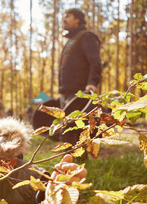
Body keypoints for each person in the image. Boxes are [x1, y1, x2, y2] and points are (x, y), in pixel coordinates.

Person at [57, 8, 102, 145]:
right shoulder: (71, 40)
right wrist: (62, 91)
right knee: (67, 132)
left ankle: (79, 162)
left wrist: (92, 82)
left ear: (77, 19)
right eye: (63, 15)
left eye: (68, 16)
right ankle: (68, 163)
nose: (64, 18)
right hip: (67, 94)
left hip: (81, 94)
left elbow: (95, 62)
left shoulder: (87, 37)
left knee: (77, 131)